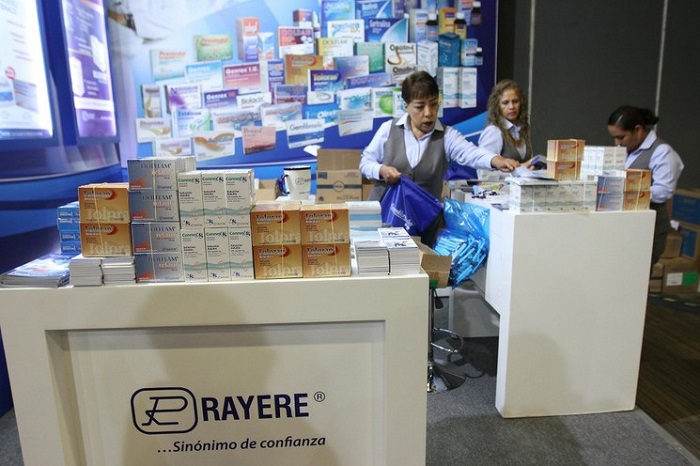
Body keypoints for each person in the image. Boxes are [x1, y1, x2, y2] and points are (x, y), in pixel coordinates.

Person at [359, 70, 519, 245]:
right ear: (406, 105)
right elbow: (365, 163)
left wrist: (497, 160)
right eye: (420, 107)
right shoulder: (388, 129)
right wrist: (381, 170)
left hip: (422, 227)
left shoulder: (447, 136)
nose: (428, 113)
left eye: (434, 104)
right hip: (382, 218)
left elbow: (471, 153)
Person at [607, 105, 684, 268]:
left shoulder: (662, 152)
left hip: (649, 228)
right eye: (614, 138)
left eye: (621, 137)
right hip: (625, 226)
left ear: (638, 130)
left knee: (638, 274)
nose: (617, 143)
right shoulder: (626, 150)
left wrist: (628, 191)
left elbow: (664, 191)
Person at [478, 79, 534, 179]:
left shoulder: (522, 128)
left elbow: (527, 165)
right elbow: (483, 174)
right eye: (505, 103)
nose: (511, 106)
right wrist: (519, 171)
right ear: (497, 106)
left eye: (515, 101)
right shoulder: (493, 131)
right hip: (500, 188)